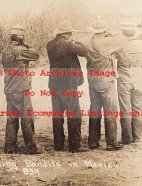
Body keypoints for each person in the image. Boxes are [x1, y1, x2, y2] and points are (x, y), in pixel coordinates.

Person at [46, 20, 88, 153]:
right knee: (74, 114)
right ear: (69, 33)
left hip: (54, 83)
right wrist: (75, 42)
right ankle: (74, 145)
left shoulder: (50, 44)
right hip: (68, 84)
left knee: (57, 114)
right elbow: (84, 51)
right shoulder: (68, 44)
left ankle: (58, 145)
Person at [84, 19, 125, 151]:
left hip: (92, 80)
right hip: (106, 80)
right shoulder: (108, 41)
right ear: (105, 30)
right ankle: (112, 143)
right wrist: (110, 34)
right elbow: (124, 40)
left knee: (95, 110)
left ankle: (93, 141)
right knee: (110, 111)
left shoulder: (88, 42)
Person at [2, 25, 40, 154]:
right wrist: (27, 45)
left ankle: (9, 147)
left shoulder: (5, 51)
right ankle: (30, 147)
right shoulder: (19, 50)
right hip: (21, 89)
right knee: (27, 118)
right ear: (19, 38)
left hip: (9, 88)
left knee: (12, 118)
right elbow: (36, 55)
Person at [113, 23, 142, 144]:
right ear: (134, 33)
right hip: (138, 80)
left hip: (124, 81)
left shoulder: (119, 45)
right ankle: (137, 137)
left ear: (123, 33)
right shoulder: (141, 44)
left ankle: (127, 138)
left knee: (125, 109)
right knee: (137, 109)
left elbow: (113, 57)